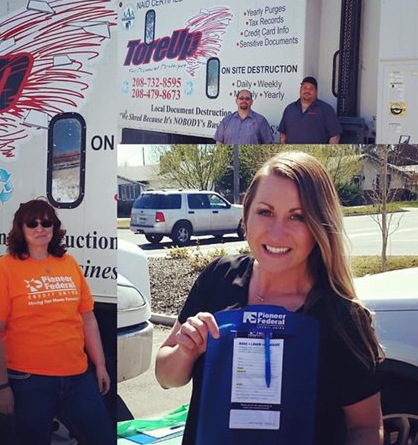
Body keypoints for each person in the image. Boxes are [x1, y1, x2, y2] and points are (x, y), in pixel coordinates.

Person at [155, 151, 384, 445]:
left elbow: (365, 428)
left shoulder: (343, 319)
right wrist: (185, 351)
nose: (277, 232)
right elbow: (165, 376)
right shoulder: (219, 276)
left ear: (320, 226)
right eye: (265, 212)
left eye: (297, 216)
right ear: (246, 214)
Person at [0, 199, 115, 445]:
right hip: (28, 382)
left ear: (54, 227)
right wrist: (0, 386)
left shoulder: (68, 263)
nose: (40, 228)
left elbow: (87, 318)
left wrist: (99, 364)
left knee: (103, 438)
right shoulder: (4, 268)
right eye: (32, 223)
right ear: (21, 228)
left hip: (77, 378)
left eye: (46, 222)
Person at [278, 76, 342, 144]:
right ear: (300, 90)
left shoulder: (326, 109)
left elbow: (335, 137)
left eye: (311, 88)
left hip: (316, 154)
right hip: (293, 154)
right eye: (304, 88)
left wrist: (328, 153)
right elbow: (283, 135)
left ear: (316, 91)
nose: (307, 91)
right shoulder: (289, 109)